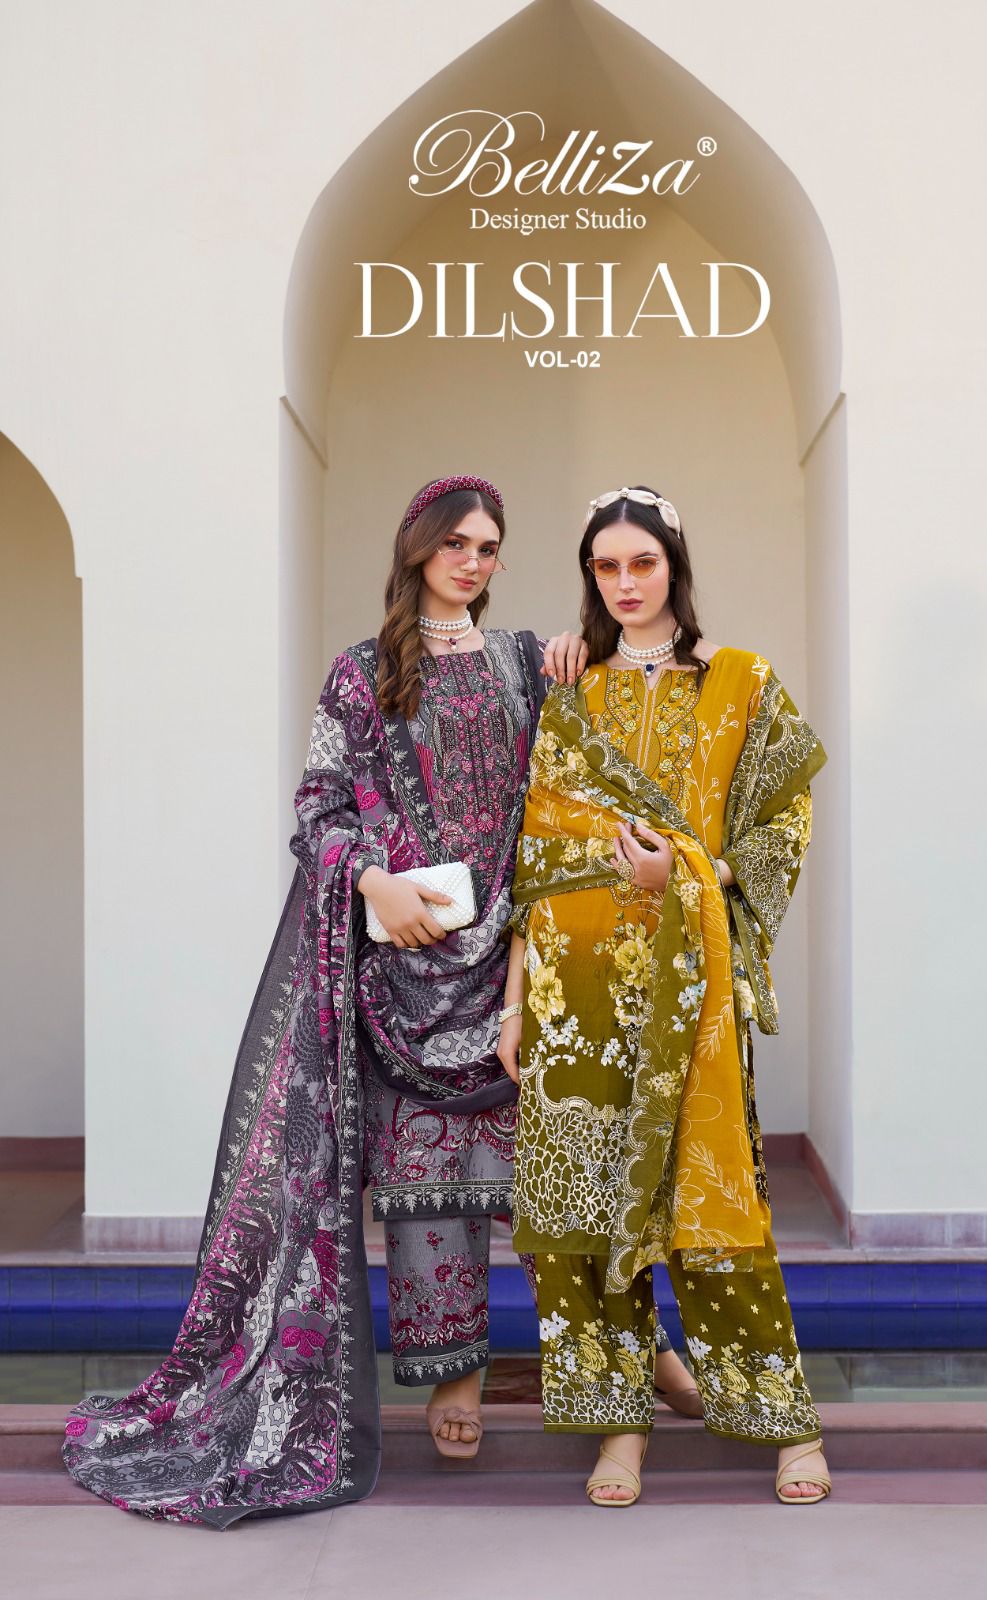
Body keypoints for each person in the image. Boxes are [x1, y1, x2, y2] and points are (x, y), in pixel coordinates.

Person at [61, 474, 696, 1526]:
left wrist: (575, 653)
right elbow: (318, 807)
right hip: (403, 971)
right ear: (417, 551)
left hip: (518, 960)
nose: (473, 562)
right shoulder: (361, 676)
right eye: (456, 544)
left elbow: (574, 787)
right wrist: (372, 883)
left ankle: (639, 1352)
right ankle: (454, 1372)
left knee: (561, 1177)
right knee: (426, 1184)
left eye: (489, 546)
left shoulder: (529, 661)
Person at [499, 484, 833, 1508]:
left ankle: (784, 1424)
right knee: (582, 1210)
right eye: (605, 566)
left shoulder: (742, 681)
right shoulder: (573, 692)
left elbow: (780, 824)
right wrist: (513, 1002)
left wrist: (691, 872)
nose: (625, 582)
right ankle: (620, 1430)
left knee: (715, 1200)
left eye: (641, 562)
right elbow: (537, 856)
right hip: (575, 988)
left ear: (673, 567)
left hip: (692, 981)